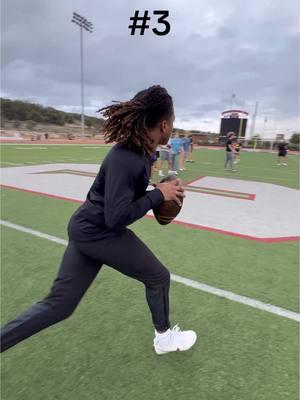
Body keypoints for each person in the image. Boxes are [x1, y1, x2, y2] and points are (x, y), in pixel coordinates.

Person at [1, 85, 197, 355]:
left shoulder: (140, 153)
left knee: (60, 305)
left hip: (88, 230)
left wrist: (159, 192)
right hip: (99, 232)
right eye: (173, 122)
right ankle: (164, 339)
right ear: (163, 124)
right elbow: (116, 218)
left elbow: (122, 197)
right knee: (158, 277)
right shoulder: (128, 157)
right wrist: (157, 195)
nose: (173, 128)